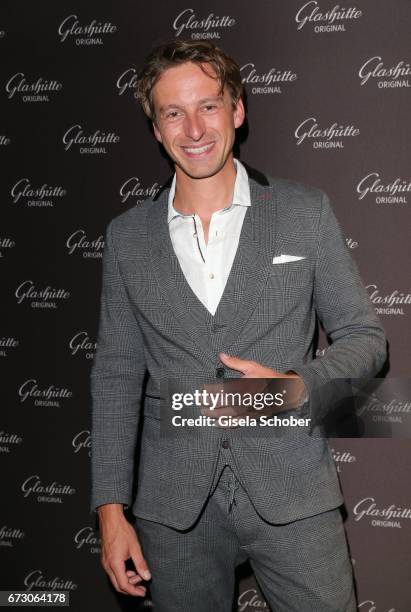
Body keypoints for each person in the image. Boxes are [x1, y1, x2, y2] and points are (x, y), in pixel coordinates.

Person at [90, 39, 386, 612]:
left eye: (208, 106)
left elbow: (365, 338)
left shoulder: (304, 212)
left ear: (237, 110)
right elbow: (116, 376)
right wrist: (109, 510)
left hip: (293, 489)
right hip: (173, 509)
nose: (194, 128)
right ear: (155, 127)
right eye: (173, 112)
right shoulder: (126, 238)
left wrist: (294, 388)